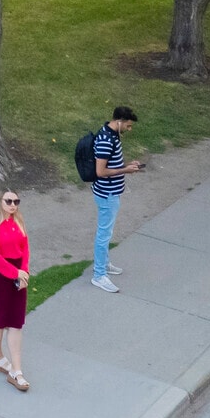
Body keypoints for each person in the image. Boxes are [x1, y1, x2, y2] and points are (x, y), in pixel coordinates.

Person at [91, 105, 144, 293]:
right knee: (104, 234)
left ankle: (104, 264)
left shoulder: (111, 134)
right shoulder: (106, 140)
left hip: (111, 193)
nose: (129, 129)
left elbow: (111, 162)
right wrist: (125, 170)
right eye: (128, 126)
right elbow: (100, 171)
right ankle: (99, 275)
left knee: (107, 231)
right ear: (119, 122)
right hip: (107, 194)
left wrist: (128, 165)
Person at [0, 189, 32, 392]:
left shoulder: (18, 220)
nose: (13, 205)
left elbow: (25, 247)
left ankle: (16, 371)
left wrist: (24, 272)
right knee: (0, 319)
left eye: (16, 201)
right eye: (9, 201)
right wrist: (15, 273)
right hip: (1, 275)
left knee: (16, 322)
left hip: (18, 273)